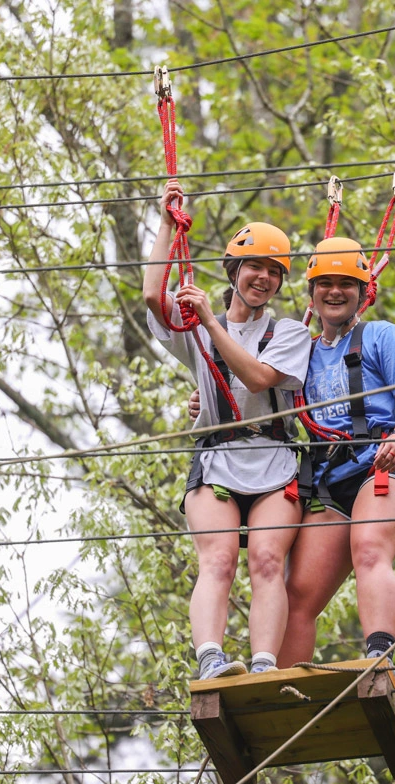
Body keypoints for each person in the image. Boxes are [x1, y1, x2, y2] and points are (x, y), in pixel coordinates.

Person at [143, 178, 310, 680]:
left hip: (275, 461)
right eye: (254, 267)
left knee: (265, 561)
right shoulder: (195, 324)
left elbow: (259, 377)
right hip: (216, 459)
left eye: (273, 272)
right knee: (216, 561)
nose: (263, 278)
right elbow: (153, 294)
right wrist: (168, 224)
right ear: (234, 271)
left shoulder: (289, 333)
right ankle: (211, 659)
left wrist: (212, 323)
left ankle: (263, 664)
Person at [276, 237, 395, 668]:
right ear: (312, 293)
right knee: (298, 592)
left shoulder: (382, 337)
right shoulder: (300, 356)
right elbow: (253, 391)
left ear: (363, 292)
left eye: (346, 283)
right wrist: (203, 400)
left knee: (368, 547)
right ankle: (284, 691)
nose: (334, 291)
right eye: (324, 283)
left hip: (385, 466)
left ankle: (378, 657)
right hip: (329, 480)